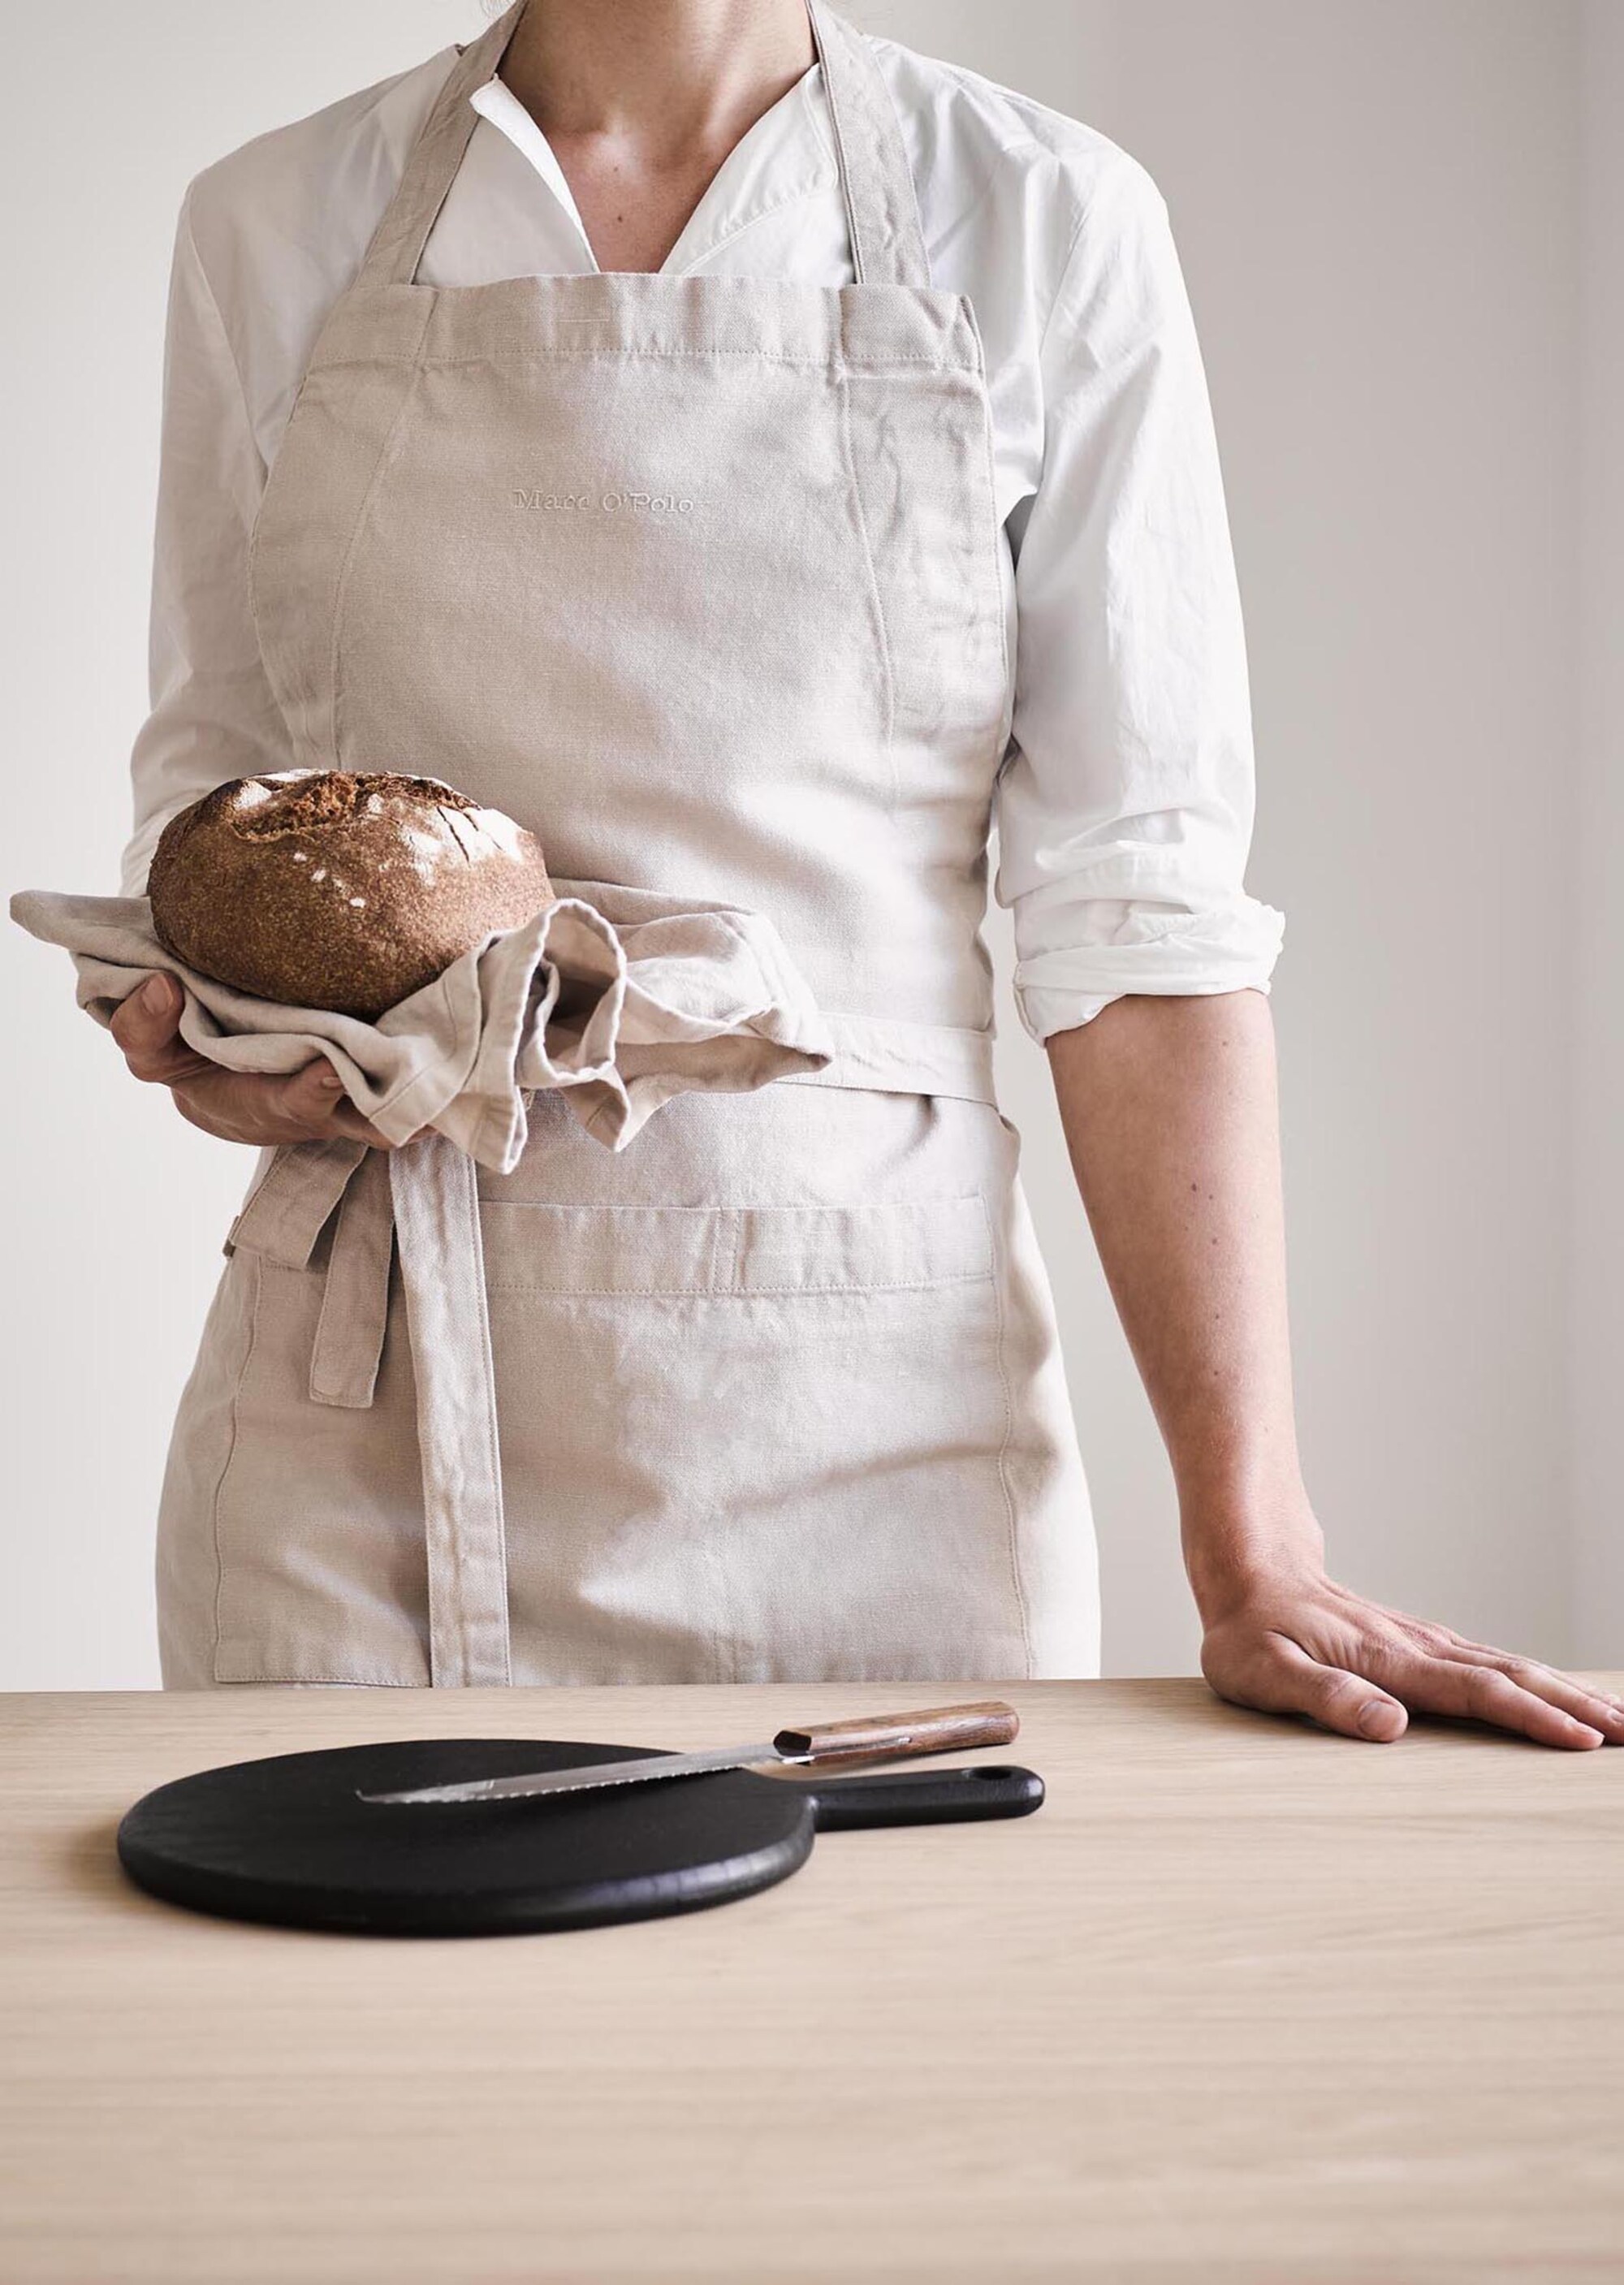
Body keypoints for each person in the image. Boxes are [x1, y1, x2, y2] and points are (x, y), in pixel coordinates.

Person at [103, 0, 1622, 1744]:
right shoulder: (273, 221)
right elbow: (218, 817)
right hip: (360, 1442)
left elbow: (1137, 924)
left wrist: (1254, 1546)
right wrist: (223, 1035)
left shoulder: (1043, 216)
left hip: (878, 1445)